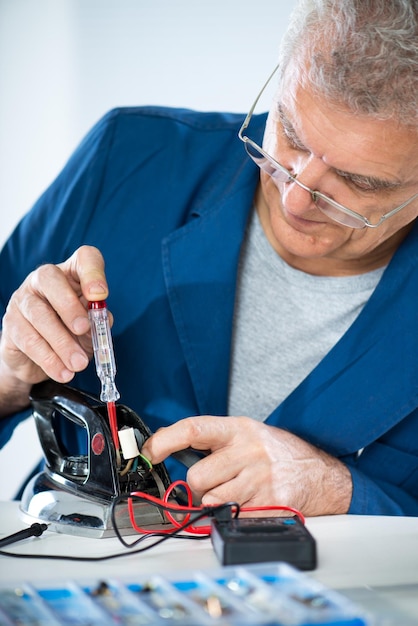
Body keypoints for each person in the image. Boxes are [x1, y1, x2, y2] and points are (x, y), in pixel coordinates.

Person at [1, 0, 418, 517]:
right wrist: (8, 374)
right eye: (289, 131)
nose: (293, 197)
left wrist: (344, 493)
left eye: (356, 183)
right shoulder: (126, 159)